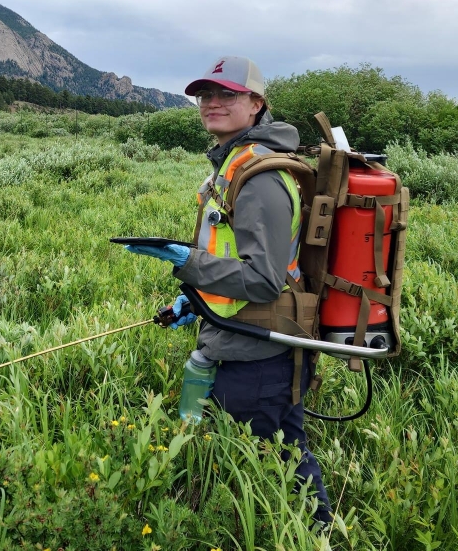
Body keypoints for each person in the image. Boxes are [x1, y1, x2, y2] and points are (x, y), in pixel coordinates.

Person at [125, 56, 333, 525]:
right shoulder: (234, 163)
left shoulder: (259, 176)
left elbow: (262, 279)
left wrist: (187, 264)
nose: (212, 103)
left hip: (262, 351)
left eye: (227, 94)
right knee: (279, 454)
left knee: (269, 463)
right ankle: (312, 531)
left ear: (257, 103)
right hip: (242, 336)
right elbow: (234, 255)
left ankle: (313, 534)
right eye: (205, 95)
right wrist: (193, 300)